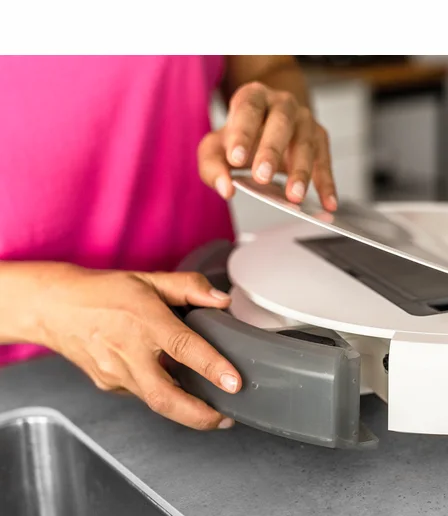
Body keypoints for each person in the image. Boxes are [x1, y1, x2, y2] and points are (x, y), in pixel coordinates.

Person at [0, 55, 338, 432]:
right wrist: (49, 308)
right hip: (22, 385)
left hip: (221, 343)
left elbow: (266, 68)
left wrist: (272, 120)